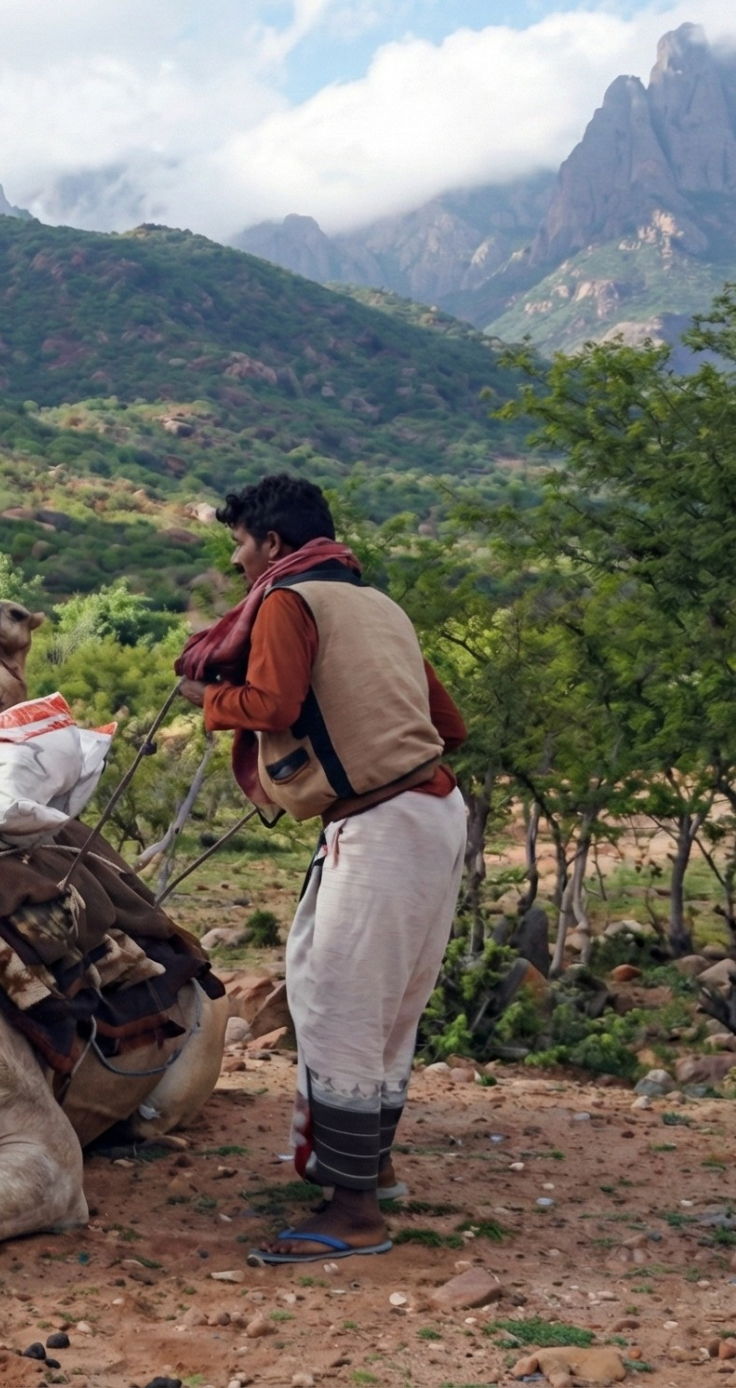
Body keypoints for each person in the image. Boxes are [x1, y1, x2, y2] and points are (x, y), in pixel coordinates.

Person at [173, 474, 468, 1265]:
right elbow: (449, 723)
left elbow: (268, 704)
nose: (236, 561)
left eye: (240, 543)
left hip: (380, 819)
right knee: (387, 1004)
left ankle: (354, 1211)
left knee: (337, 998)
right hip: (434, 809)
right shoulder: (381, 606)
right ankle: (368, 1167)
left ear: (272, 544)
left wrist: (211, 698)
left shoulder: (287, 602)